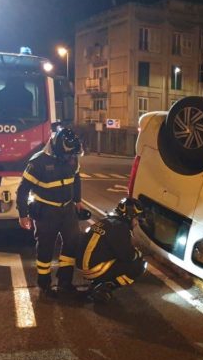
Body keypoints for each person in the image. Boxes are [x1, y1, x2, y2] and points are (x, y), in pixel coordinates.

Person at [16, 126, 84, 296]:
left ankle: (65, 282)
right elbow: (23, 189)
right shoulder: (37, 162)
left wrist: (77, 200)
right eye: (68, 155)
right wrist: (23, 215)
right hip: (46, 211)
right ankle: (44, 284)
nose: (70, 158)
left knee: (72, 244)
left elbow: (76, 178)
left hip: (67, 210)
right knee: (45, 247)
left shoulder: (72, 157)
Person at [78, 197, 147, 302]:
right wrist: (138, 253)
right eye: (137, 219)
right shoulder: (121, 228)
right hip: (92, 270)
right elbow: (127, 256)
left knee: (113, 256)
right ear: (130, 216)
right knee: (139, 265)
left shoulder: (106, 221)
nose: (137, 223)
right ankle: (105, 288)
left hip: (81, 266)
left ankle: (97, 282)